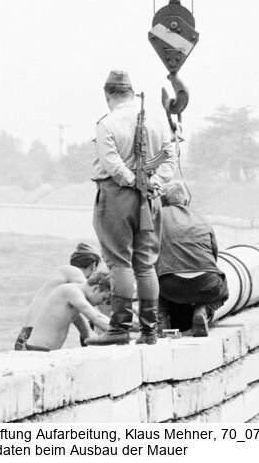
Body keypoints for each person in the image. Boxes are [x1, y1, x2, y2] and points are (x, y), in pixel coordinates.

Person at [86, 70, 177, 346]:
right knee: (146, 264)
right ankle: (150, 330)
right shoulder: (157, 122)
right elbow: (169, 159)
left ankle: (120, 327)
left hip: (117, 196)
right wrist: (152, 183)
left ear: (107, 94)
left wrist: (133, 182)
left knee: (119, 262)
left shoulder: (107, 123)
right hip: (151, 198)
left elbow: (112, 164)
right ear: (131, 92)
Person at [156, 181, 229, 337]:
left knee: (153, 282)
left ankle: (161, 320)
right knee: (223, 289)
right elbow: (213, 255)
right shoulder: (201, 217)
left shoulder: (156, 217)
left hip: (170, 286)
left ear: (162, 201)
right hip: (207, 283)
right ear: (185, 201)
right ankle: (203, 309)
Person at [14, 242, 102, 350]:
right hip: (33, 337)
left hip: (27, 335)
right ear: (93, 265)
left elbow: (81, 320)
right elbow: (91, 297)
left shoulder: (66, 287)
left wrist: (88, 334)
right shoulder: (72, 272)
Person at [20, 270, 112, 351]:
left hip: (45, 350)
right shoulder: (71, 291)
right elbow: (96, 317)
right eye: (104, 298)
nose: (102, 303)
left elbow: (84, 328)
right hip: (37, 350)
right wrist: (121, 332)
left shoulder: (76, 298)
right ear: (96, 288)